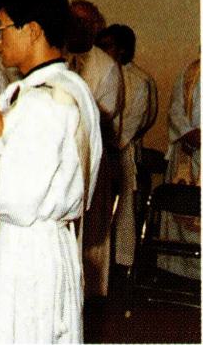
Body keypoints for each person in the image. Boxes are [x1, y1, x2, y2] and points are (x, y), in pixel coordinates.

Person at [0, 0, 102, 343]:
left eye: (1, 29)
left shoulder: (42, 101)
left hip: (23, 253)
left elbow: (17, 201)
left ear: (31, 30)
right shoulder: (73, 88)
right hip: (48, 244)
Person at [67, 0, 124, 298]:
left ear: (95, 27)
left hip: (89, 157)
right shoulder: (57, 56)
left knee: (90, 232)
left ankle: (89, 295)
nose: (76, 26)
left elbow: (106, 113)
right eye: (72, 19)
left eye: (83, 22)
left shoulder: (107, 67)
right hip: (59, 160)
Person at [96, 24, 158, 269]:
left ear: (122, 49)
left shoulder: (139, 80)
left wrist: (113, 144)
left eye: (107, 46)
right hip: (100, 149)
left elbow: (137, 119)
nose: (102, 51)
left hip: (122, 150)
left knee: (124, 212)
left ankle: (122, 264)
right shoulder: (99, 73)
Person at [157, 57, 200, 279]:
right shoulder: (192, 71)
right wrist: (187, 132)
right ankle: (178, 273)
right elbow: (175, 108)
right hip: (189, 149)